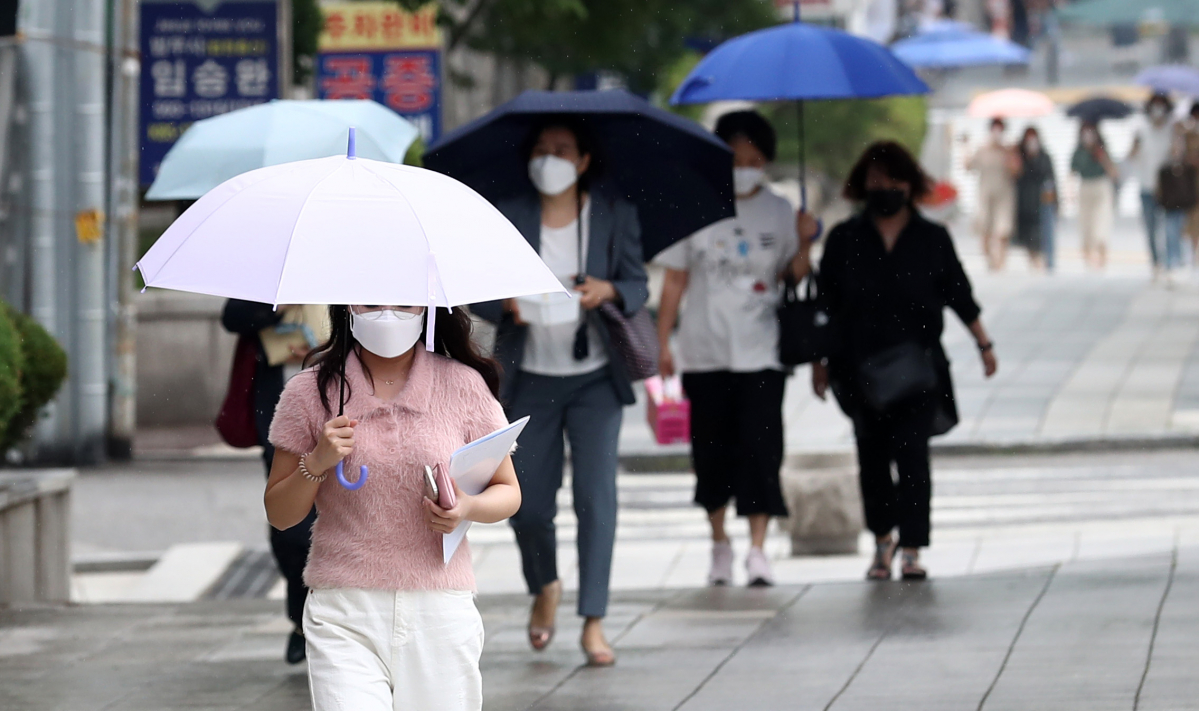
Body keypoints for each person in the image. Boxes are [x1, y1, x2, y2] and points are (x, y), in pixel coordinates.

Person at [265, 304, 521, 711]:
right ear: (347, 304)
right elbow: (280, 514)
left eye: (403, 302)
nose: (387, 314)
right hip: (343, 609)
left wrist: (466, 506)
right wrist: (315, 463)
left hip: (439, 608)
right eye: (371, 301)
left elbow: (508, 491)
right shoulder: (310, 391)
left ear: (426, 306)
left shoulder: (463, 384)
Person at [471, 118, 649, 667]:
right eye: (542, 149)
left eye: (563, 150)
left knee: (597, 501)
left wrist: (609, 289)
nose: (550, 158)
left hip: (596, 377)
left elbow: (638, 286)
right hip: (529, 380)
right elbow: (476, 290)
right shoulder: (508, 214)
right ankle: (544, 584)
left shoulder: (615, 214)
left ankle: (594, 621)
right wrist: (506, 304)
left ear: (584, 160)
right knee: (528, 505)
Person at [812, 141, 998, 581]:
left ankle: (912, 546)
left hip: (919, 368)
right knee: (872, 458)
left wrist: (984, 344)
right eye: (876, 181)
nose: (885, 188)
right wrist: (819, 361)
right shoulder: (844, 240)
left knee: (913, 456)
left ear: (911, 185)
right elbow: (827, 302)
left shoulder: (931, 238)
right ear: (862, 186)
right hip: (859, 368)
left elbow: (959, 293)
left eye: (894, 180)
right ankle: (882, 542)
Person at [654, 110, 819, 588]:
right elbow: (675, 281)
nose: (746, 166)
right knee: (712, 452)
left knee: (762, 450)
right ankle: (720, 543)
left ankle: (760, 550)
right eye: (737, 158)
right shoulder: (695, 205)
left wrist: (806, 243)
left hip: (761, 352)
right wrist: (663, 342)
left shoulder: (780, 211)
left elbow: (793, 276)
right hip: (704, 353)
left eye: (755, 159)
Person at [221, 300, 316, 664]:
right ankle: (301, 619)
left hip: (341, 401)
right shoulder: (272, 263)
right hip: (279, 405)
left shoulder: (352, 267)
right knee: (292, 527)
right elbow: (233, 317)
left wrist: (330, 349)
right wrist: (278, 306)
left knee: (342, 518)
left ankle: (331, 621)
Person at [1128, 93, 1177, 279]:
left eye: (1161, 105)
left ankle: (1169, 262)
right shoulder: (1141, 130)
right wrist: (1134, 146)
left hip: (1167, 189)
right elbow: (1131, 158)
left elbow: (1175, 157)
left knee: (1167, 227)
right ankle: (1156, 262)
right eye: (1154, 105)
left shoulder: (1171, 130)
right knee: (1150, 227)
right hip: (1146, 187)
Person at [966, 118, 1020, 271]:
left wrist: (1010, 154)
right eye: (995, 129)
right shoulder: (982, 149)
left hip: (1004, 195)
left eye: (1000, 129)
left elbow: (1016, 171)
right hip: (985, 194)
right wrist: (966, 146)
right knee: (985, 230)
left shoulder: (1008, 150)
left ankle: (1001, 263)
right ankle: (990, 260)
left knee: (1003, 230)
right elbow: (968, 166)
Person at [1071, 121, 1119, 270]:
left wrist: (1102, 157)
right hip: (1085, 188)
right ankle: (1088, 262)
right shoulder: (1078, 151)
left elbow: (1114, 174)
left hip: (1101, 187)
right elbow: (1072, 172)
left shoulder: (1102, 149)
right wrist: (1070, 191)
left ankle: (1102, 262)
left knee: (1101, 227)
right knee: (1086, 227)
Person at [1013, 127, 1057, 271]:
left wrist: (1056, 204)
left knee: (1042, 236)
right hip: (1024, 204)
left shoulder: (1044, 157)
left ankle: (1043, 264)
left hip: (1041, 204)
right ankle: (1033, 264)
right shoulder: (1019, 157)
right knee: (1028, 239)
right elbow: (1016, 176)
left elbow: (1050, 180)